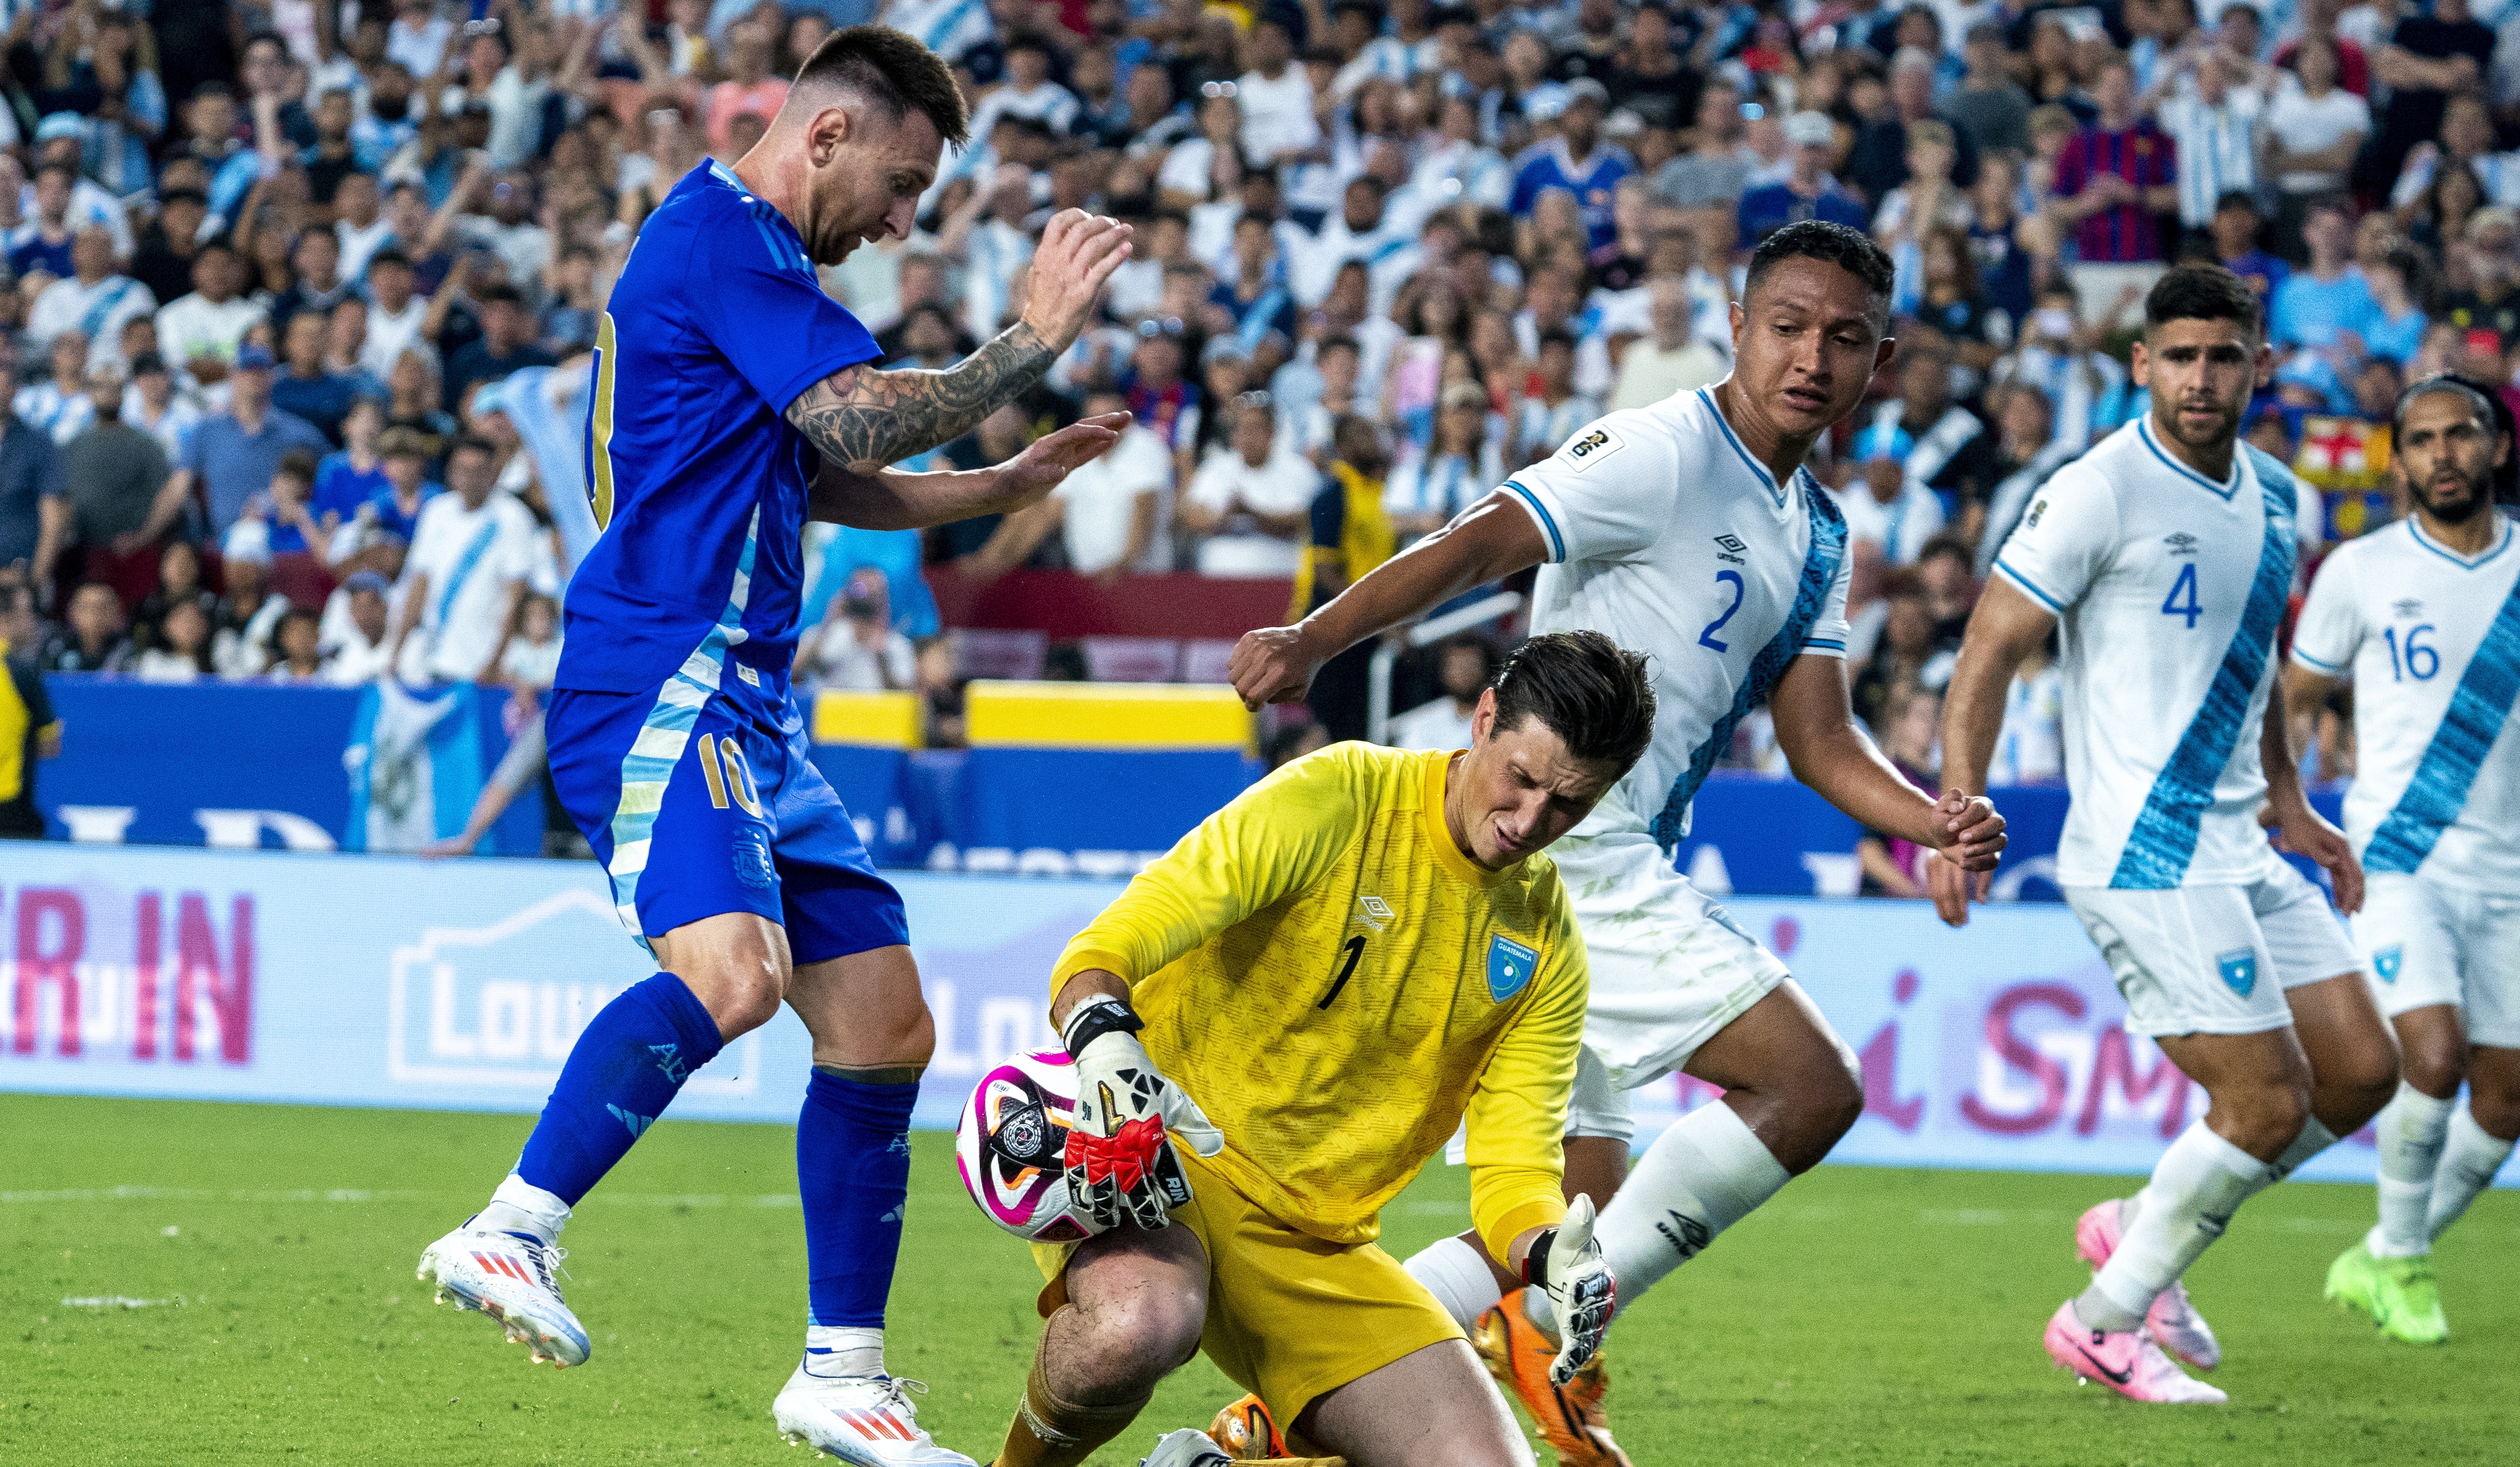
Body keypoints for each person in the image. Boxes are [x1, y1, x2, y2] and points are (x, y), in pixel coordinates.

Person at [412, 27, 1136, 1467]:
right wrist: (1030, 343)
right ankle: (509, 1227)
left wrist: (1003, 478)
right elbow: (853, 405)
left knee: (882, 1024)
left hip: (742, 704)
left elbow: (824, 470)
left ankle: (841, 1374)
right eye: (903, 183)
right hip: (664, 682)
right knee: (738, 978)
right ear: (820, 138)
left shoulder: (750, 268)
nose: (903, 219)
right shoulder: (724, 239)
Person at [1229, 222, 2005, 1462]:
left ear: (1880, 360)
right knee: (1810, 1083)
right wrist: (1317, 637)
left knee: (1560, 1207)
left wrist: (1934, 817)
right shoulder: (1659, 447)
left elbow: (1816, 734)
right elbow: (1483, 538)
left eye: (1844, 337)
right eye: (1789, 325)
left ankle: (1268, 1423)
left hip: (1607, 857)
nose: (1811, 355)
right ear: (1738, 322)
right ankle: (1551, 1337)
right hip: (1574, 843)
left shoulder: (1819, 532)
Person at [989, 630, 1654, 1467]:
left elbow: (1513, 1169)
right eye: (1520, 779)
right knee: (1137, 1323)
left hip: (1314, 1246)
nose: (1529, 822)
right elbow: (1113, 941)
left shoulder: (1547, 945)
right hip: (1160, 1164)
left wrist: (1551, 1249)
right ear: (1483, 718)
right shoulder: (1342, 795)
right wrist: (1103, 1043)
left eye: (1568, 806)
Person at [1938, 264, 2399, 1405]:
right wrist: (1955, 812)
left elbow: (2250, 678)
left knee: (2361, 1071)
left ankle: (2142, 1225)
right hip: (2144, 852)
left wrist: (2291, 801)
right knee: (2264, 1100)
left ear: (2260, 365)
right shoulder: (2098, 489)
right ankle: (2101, 1321)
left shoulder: (2282, 496)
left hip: (2244, 840)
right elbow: (1988, 647)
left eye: (2222, 355)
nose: (2199, 376)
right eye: (2178, 355)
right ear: (2141, 364)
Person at [2284, 376, 2520, 1344]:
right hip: (2399, 852)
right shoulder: (2360, 569)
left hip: (2509, 867)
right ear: (2400, 460)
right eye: (2420, 440)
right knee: (2429, 1049)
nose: (2442, 454)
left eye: (2459, 433)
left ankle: (2383, 1254)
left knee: (2507, 1095)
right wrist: (2285, 800)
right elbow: (2291, 695)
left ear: (2496, 444)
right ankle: (2405, 1256)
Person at [388, 435, 537, 684]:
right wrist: (396, 652)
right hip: (434, 660)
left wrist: (495, 661)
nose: (469, 479)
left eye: (478, 471)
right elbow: (420, 585)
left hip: (484, 668)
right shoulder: (436, 511)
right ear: (450, 472)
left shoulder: (512, 518)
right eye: (462, 470)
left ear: (493, 472)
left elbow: (518, 596)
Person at [1390, 635, 1500, 750]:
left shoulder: (1503, 718)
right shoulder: (1424, 722)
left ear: (1487, 668)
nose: (1463, 673)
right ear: (1443, 671)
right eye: (1456, 666)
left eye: (1471, 664)